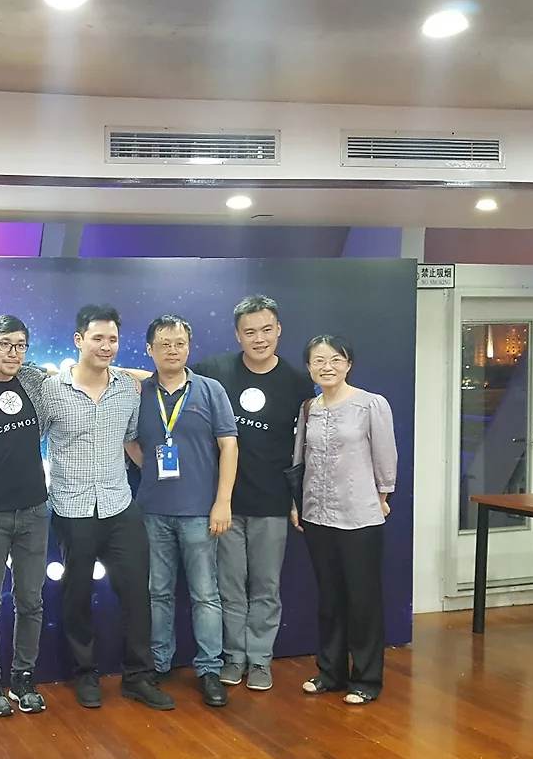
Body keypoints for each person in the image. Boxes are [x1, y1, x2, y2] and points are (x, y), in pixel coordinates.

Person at [39, 305, 174, 711]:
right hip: (72, 507)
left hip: (119, 505)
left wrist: (157, 476)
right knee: (77, 596)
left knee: (137, 593)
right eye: (97, 338)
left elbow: (131, 439)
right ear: (79, 340)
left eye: (112, 339)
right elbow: (32, 438)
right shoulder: (51, 390)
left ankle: (138, 676)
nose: (106, 346)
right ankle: (85, 673)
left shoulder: (127, 389)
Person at [193, 295, 315, 692]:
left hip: (272, 502)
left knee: (265, 587)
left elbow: (305, 447)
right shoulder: (215, 371)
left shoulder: (298, 382)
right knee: (229, 587)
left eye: (266, 330)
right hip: (224, 503)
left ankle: (260, 659)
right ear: (237, 335)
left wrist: (297, 499)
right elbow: (167, 375)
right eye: (250, 332)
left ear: (278, 329)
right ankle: (234, 657)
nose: (259, 339)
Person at [126, 315, 237, 708]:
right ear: (149, 349)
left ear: (188, 347)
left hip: (200, 512)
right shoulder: (138, 393)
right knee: (157, 592)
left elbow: (229, 446)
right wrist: (149, 469)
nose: (172, 350)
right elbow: (130, 440)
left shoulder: (210, 390)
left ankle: (209, 668)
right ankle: (159, 663)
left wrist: (222, 501)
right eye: (164, 344)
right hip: (152, 511)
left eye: (179, 343)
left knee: (205, 594)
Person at [291, 335, 397, 705]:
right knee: (330, 598)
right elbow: (298, 460)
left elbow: (386, 457)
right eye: (319, 361)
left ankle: (366, 679)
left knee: (363, 599)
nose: (327, 367)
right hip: (317, 515)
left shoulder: (370, 404)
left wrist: (382, 497)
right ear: (309, 367)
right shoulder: (309, 408)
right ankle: (330, 672)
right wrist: (297, 503)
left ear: (348, 364)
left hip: (359, 516)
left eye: (336, 359)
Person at [0, 315, 50, 716]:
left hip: (34, 510)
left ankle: (23, 677)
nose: (13, 353)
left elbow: (85, 372)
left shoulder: (35, 382)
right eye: (4, 344)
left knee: (31, 600)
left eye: (20, 345)